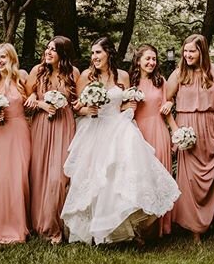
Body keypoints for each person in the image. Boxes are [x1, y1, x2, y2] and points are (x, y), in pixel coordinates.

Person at [61, 37, 180, 245]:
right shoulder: (87, 76)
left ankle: (120, 231)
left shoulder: (123, 76)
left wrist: (129, 106)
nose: (94, 57)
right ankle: (94, 231)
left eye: (98, 52)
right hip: (94, 130)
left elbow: (124, 105)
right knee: (96, 179)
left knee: (119, 179)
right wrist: (86, 108)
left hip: (118, 128)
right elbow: (76, 106)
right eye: (92, 53)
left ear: (108, 54)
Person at [167, 34, 214, 243]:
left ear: (202, 51)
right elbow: (165, 104)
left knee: (211, 177)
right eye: (185, 51)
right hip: (188, 130)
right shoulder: (178, 74)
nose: (187, 55)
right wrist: (176, 130)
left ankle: (211, 221)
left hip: (212, 127)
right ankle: (193, 226)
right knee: (191, 180)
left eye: (192, 51)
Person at [24, 36, 79, 244]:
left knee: (58, 176)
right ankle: (38, 223)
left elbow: (77, 102)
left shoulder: (72, 73)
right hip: (41, 126)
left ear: (63, 54)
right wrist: (38, 102)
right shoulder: (37, 71)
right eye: (47, 48)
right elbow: (25, 98)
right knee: (39, 173)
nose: (48, 52)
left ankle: (54, 224)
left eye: (53, 50)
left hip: (64, 126)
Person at [0, 43, 31, 244]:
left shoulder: (22, 77)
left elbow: (31, 99)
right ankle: (0, 225)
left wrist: (35, 99)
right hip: (0, 133)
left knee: (19, 177)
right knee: (0, 178)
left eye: (3, 57)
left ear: (11, 58)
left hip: (19, 131)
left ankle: (20, 226)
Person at [128, 44, 175, 238]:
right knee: (140, 178)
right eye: (147, 58)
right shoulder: (130, 81)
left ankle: (160, 228)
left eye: (154, 59)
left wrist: (177, 133)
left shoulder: (161, 81)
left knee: (160, 177)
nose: (151, 62)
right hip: (137, 132)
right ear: (138, 61)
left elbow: (166, 110)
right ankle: (140, 229)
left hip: (158, 131)